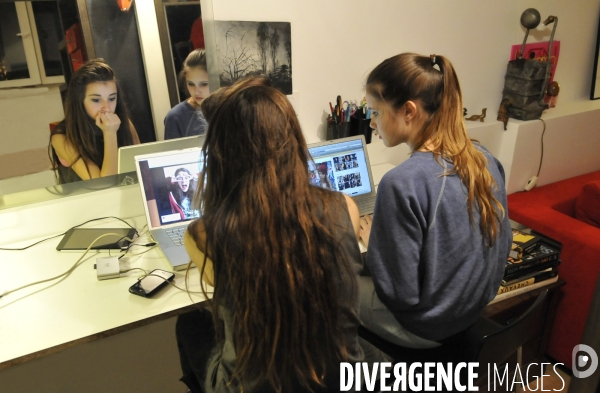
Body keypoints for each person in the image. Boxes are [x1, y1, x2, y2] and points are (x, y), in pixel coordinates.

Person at [176, 76, 383, 393]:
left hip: (253, 386)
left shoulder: (204, 233)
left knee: (189, 325)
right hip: (338, 381)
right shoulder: (345, 207)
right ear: (293, 141)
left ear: (220, 156)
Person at [358, 53, 512, 350]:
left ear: (408, 111)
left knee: (330, 285)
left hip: (425, 327)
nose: (373, 124)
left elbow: (400, 295)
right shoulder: (485, 160)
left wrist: (376, 241)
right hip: (469, 312)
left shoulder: (401, 182)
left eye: (376, 112)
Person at [49, 59, 140, 184]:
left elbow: (140, 169)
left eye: (112, 98)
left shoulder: (122, 122)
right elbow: (104, 184)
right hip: (85, 201)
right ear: (80, 101)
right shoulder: (62, 136)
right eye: (96, 100)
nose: (106, 107)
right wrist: (110, 133)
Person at [164, 49, 209, 140]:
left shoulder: (230, 109)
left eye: (204, 84)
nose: (197, 91)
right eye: (191, 84)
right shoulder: (176, 117)